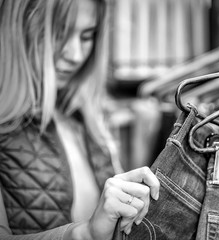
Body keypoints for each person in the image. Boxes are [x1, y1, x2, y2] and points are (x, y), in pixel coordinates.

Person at [0, 0, 160, 239]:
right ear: (19, 27)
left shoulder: (89, 119)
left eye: (87, 36)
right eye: (59, 33)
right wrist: (85, 233)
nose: (75, 55)